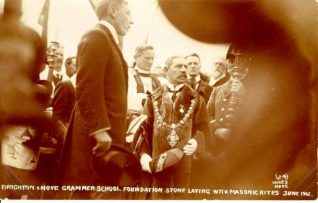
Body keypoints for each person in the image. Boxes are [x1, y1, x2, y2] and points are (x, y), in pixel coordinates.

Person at [57, 0, 133, 199]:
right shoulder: (97, 36)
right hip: (97, 142)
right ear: (113, 11)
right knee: (90, 193)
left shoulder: (107, 39)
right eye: (128, 13)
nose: (131, 21)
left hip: (106, 140)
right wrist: (100, 131)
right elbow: (87, 87)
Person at [139, 55, 211, 199]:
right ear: (166, 70)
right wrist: (143, 155)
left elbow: (203, 129)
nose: (184, 70)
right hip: (158, 161)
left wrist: (196, 142)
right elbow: (144, 131)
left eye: (185, 67)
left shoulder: (196, 99)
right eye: (178, 66)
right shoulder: (153, 98)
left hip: (185, 161)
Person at [127, 44, 160, 119]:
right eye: (147, 58)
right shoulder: (129, 75)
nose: (150, 62)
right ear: (135, 57)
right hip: (134, 118)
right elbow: (130, 100)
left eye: (152, 59)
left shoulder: (156, 79)